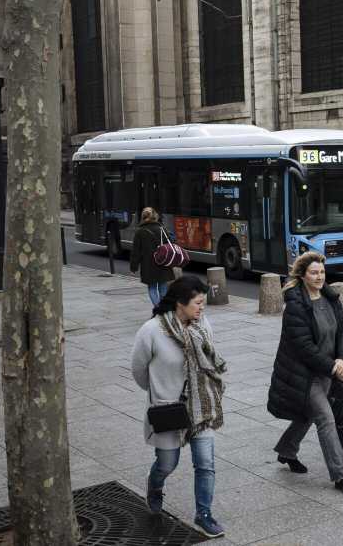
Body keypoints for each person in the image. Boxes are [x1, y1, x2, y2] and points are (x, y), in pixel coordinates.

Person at [131, 275, 227, 538]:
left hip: (201, 405)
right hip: (169, 409)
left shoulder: (202, 324)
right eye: (198, 303)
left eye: (203, 302)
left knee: (205, 463)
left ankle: (204, 514)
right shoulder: (152, 330)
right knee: (167, 464)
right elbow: (139, 370)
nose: (202, 308)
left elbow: (209, 360)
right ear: (180, 303)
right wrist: (159, 392)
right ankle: (154, 486)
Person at [266, 252, 343, 494]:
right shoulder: (296, 306)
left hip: (327, 370)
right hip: (303, 373)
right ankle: (341, 476)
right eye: (314, 273)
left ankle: (286, 451)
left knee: (307, 414)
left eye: (322, 272)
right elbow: (304, 347)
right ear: (303, 275)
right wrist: (334, 367)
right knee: (325, 418)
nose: (319, 277)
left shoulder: (330, 297)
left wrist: (342, 359)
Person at [130, 207, 174, 307]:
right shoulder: (162, 229)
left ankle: (158, 308)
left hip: (148, 265)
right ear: (155, 216)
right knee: (163, 287)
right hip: (162, 263)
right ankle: (163, 309)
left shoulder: (140, 231)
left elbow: (136, 252)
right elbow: (170, 244)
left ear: (143, 217)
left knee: (152, 288)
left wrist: (133, 267)